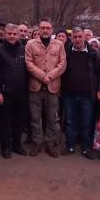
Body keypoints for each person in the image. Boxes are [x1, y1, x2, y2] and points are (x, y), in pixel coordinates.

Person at [25, 18, 67, 158]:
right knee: (35, 117)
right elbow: (29, 63)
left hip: (53, 87)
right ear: (39, 29)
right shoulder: (30, 44)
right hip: (35, 86)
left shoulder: (59, 45)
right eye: (42, 27)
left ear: (52, 30)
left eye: (47, 28)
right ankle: (37, 142)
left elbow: (62, 64)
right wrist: (43, 76)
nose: (45, 30)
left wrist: (50, 76)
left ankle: (50, 143)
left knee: (52, 118)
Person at [61, 28, 100, 159]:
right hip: (69, 94)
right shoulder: (66, 52)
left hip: (87, 94)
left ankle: (86, 148)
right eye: (75, 37)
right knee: (70, 121)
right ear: (71, 38)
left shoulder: (93, 53)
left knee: (86, 122)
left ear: (84, 37)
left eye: (80, 37)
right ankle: (70, 146)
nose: (77, 39)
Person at [0, 24, 29, 159]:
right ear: (5, 34)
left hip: (21, 92)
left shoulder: (23, 49)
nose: (12, 36)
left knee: (19, 121)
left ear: (18, 35)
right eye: (9, 34)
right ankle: (6, 147)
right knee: (5, 121)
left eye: (14, 34)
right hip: (5, 93)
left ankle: (17, 144)